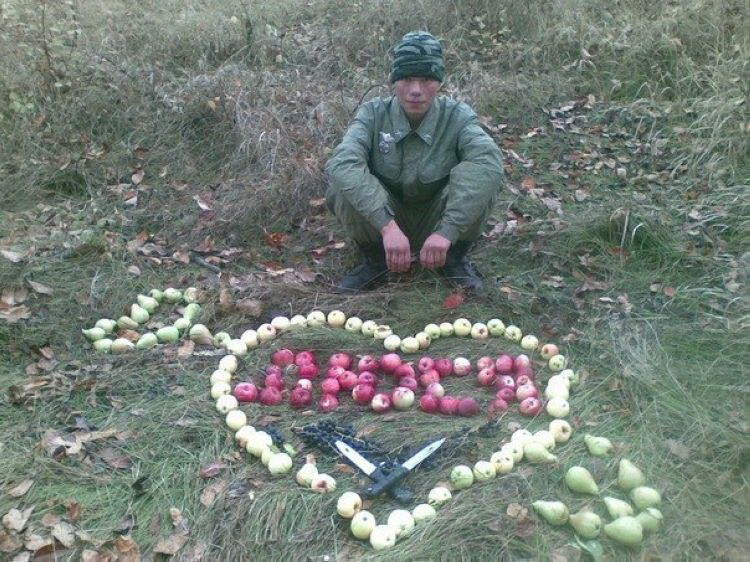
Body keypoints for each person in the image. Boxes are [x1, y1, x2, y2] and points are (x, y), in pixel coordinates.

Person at [325, 31, 504, 292]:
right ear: (395, 81)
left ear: (439, 82)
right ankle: (376, 261)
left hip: (438, 219)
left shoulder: (457, 116)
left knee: (484, 180)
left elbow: (488, 163)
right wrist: (387, 227)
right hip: (385, 219)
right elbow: (342, 162)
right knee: (341, 184)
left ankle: (452, 260)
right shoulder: (373, 114)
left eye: (427, 79)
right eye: (407, 79)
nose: (416, 91)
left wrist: (448, 231)